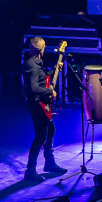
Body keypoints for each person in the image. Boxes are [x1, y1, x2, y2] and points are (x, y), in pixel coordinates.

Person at [21, 36, 67, 181]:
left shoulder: (36, 63)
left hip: (42, 104)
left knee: (50, 130)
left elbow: (43, 80)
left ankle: (49, 163)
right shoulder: (31, 65)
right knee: (40, 136)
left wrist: (55, 69)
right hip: (36, 105)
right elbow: (34, 88)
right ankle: (30, 170)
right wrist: (49, 92)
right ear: (41, 48)